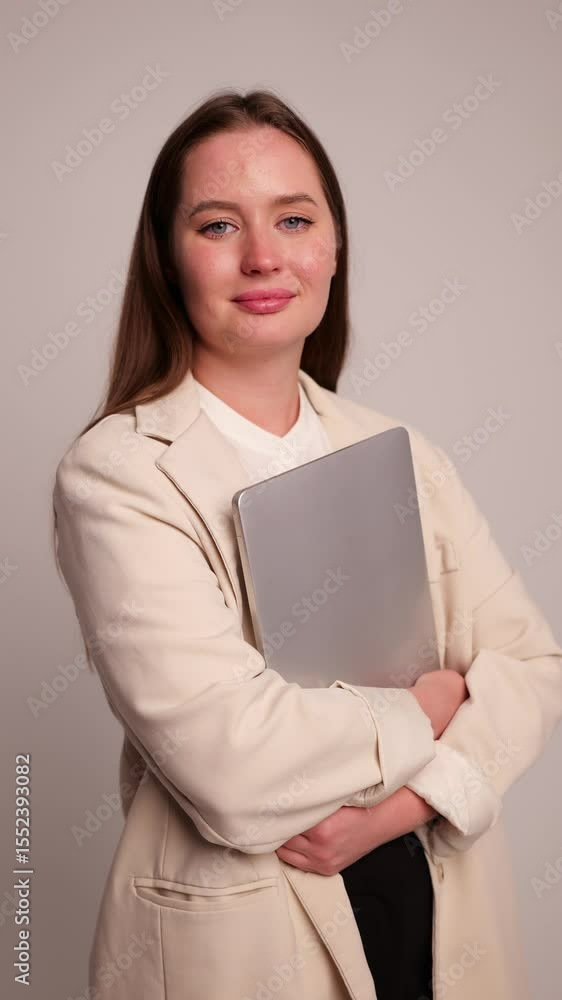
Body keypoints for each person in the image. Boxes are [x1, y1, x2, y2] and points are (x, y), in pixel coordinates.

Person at [52, 89, 562, 1000]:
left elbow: (531, 667)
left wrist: (395, 812)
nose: (263, 256)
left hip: (434, 909)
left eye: (294, 219)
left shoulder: (405, 453)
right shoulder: (119, 474)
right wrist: (431, 706)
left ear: (334, 248)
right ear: (168, 258)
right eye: (218, 225)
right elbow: (232, 760)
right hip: (245, 936)